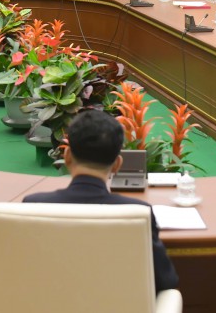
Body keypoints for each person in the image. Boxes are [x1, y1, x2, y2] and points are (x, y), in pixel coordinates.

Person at [23, 110, 179, 294]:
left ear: (67, 156)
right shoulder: (137, 213)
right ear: (117, 165)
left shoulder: (33, 206)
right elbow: (167, 280)